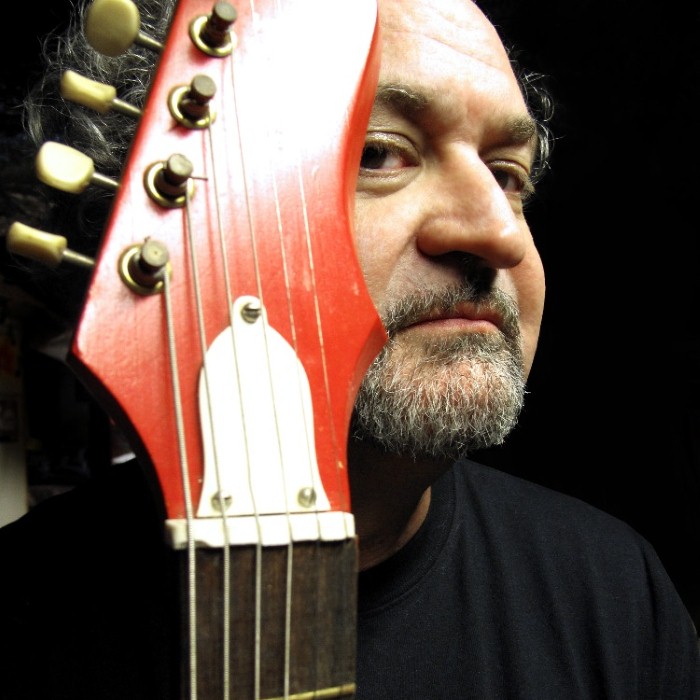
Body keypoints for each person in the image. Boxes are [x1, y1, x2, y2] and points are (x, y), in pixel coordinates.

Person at [1, 0, 699, 698]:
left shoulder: (619, 595)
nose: (500, 233)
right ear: (169, 221)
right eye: (377, 154)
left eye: (508, 174)